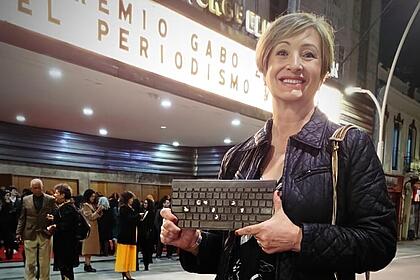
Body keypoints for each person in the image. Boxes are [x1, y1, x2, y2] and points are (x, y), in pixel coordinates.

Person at [160, 12, 397, 280]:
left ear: (323, 74)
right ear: (264, 68)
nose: (294, 64)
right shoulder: (238, 158)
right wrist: (193, 243)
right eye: (282, 52)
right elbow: (228, 252)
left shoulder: (349, 146)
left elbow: (380, 242)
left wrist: (299, 238)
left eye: (308, 55)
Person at [16, 179, 56, 280]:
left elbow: (56, 215)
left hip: (45, 233)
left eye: (40, 187)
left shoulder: (50, 199)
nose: (38, 190)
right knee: (30, 262)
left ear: (43, 187)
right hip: (29, 233)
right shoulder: (25, 199)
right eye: (35, 188)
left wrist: (53, 221)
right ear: (31, 188)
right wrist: (18, 232)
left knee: (45, 262)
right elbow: (22, 218)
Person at [47, 183, 79, 280]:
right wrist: (54, 218)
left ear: (63, 195)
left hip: (66, 245)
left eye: (56, 193)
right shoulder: (66, 206)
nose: (54, 195)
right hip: (65, 244)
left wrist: (54, 225)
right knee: (65, 269)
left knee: (66, 269)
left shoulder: (67, 208)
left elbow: (66, 225)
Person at [115, 191, 141, 280]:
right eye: (131, 198)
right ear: (127, 199)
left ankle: (127, 272)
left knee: (129, 255)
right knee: (125, 255)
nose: (132, 200)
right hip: (125, 236)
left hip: (129, 235)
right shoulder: (123, 208)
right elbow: (129, 219)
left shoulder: (129, 208)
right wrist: (138, 216)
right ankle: (125, 272)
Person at [81, 189, 103, 272]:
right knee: (88, 248)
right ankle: (87, 264)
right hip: (89, 229)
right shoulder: (86, 206)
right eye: (92, 196)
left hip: (93, 228)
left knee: (90, 248)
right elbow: (90, 217)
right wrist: (98, 211)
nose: (93, 198)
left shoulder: (92, 205)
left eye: (94, 196)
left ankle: (88, 264)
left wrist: (100, 211)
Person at [138, 198, 155, 271]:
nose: (145, 205)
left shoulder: (151, 212)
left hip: (148, 233)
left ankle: (147, 264)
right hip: (142, 233)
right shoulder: (141, 211)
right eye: (144, 203)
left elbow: (151, 223)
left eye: (146, 203)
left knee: (147, 249)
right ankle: (145, 261)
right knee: (143, 249)